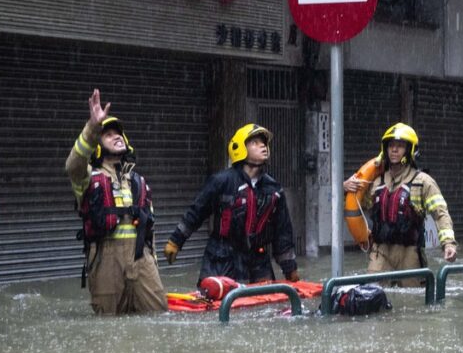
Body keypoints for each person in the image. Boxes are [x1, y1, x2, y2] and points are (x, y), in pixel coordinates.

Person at [65, 89, 166, 314]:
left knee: (158, 315)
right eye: (108, 134)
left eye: (119, 133)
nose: (117, 136)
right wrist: (92, 128)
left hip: (142, 259)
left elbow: (151, 230)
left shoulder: (139, 181)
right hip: (105, 260)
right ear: (97, 145)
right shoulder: (87, 177)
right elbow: (73, 165)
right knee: (109, 328)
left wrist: (153, 263)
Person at [163, 124, 300, 284]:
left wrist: (290, 270)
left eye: (263, 142)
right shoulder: (221, 181)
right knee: (216, 303)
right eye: (255, 142)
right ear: (240, 148)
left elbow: (282, 233)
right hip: (221, 259)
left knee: (263, 305)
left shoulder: (274, 189)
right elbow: (196, 212)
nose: (263, 145)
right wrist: (175, 241)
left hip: (258, 262)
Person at [343, 123, 457, 286]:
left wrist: (448, 244)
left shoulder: (422, 182)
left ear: (409, 150)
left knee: (411, 303)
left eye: (400, 146)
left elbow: (441, 214)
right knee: (372, 296)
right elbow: (355, 206)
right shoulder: (376, 182)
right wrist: (345, 190)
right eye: (391, 145)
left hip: (409, 253)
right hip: (380, 252)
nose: (394, 150)